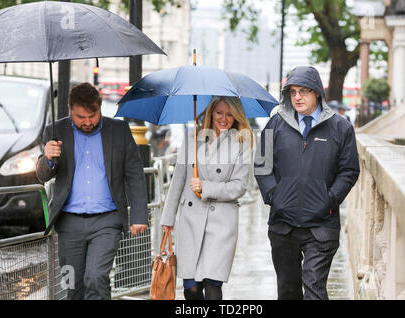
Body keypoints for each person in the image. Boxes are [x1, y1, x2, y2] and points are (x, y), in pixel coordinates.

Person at [254, 66, 360, 300]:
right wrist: (274, 196)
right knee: (288, 290)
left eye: (303, 91)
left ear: (317, 93)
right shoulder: (276, 124)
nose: (297, 97)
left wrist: (329, 199)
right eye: (292, 92)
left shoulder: (340, 127)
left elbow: (349, 170)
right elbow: (262, 165)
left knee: (314, 289)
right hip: (283, 225)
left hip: (321, 226)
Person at [36, 83, 148, 300]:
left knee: (96, 278)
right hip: (69, 224)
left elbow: (135, 174)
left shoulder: (119, 131)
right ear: (70, 110)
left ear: (100, 108)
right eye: (80, 117)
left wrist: (139, 215)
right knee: (72, 286)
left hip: (107, 222)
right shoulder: (54, 131)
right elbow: (43, 176)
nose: (87, 122)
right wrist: (47, 158)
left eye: (92, 115)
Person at [161, 96, 252, 300]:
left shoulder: (241, 143)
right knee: (191, 289)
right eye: (219, 112)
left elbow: (240, 186)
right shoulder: (192, 137)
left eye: (230, 114)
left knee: (212, 287)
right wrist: (168, 219)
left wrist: (206, 187)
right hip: (190, 221)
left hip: (221, 224)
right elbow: (178, 180)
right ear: (211, 112)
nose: (224, 118)